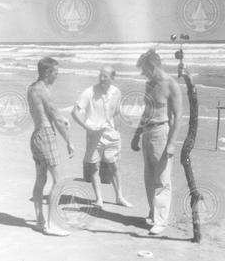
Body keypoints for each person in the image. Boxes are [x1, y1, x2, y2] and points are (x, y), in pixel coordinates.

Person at [131, 49, 183, 235]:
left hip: (162, 132)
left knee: (162, 179)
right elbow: (146, 112)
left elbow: (178, 117)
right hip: (147, 132)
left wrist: (171, 143)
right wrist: (136, 134)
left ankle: (161, 221)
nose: (143, 74)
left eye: (145, 70)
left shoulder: (171, 84)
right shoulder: (149, 84)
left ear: (153, 66)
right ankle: (153, 213)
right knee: (149, 177)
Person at [72, 65, 132, 209]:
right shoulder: (89, 92)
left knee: (114, 166)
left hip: (111, 135)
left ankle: (119, 197)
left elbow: (116, 112)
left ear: (112, 78)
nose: (102, 78)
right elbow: (75, 112)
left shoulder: (117, 92)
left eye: (105, 76)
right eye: (100, 75)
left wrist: (116, 131)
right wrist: (87, 127)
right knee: (94, 167)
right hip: (94, 135)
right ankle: (99, 199)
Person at [27, 57, 74, 236]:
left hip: (36, 136)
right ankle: (51, 223)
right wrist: (69, 141)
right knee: (59, 180)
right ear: (47, 72)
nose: (57, 75)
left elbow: (45, 112)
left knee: (41, 180)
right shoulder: (44, 91)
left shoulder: (32, 88)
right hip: (46, 136)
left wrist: (62, 118)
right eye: (56, 72)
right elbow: (54, 117)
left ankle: (41, 221)